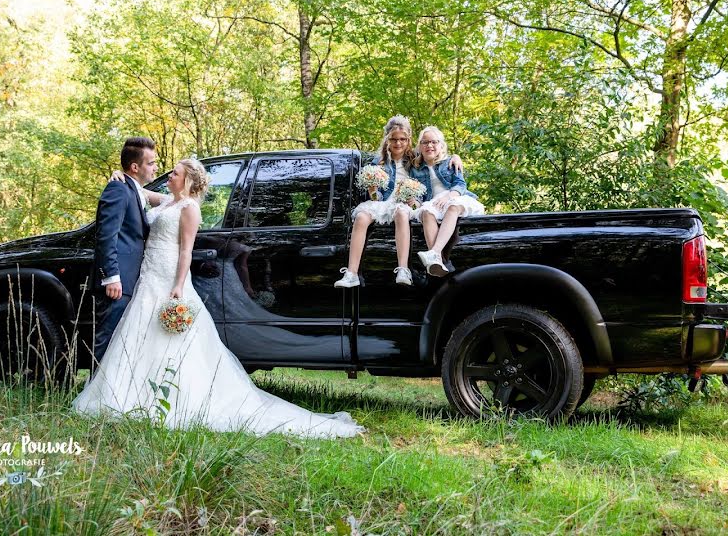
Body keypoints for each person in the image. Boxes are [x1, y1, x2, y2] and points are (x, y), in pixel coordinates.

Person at [73, 158, 364, 438]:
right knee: (138, 332)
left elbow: (186, 250)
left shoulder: (188, 208)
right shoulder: (167, 202)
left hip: (169, 278)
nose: (169, 176)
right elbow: (140, 192)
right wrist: (122, 177)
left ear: (186, 180)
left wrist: (178, 285)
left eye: (174, 173)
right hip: (148, 275)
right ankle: (127, 393)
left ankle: (171, 398)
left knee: (169, 340)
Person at [334, 116, 462, 288]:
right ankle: (351, 273)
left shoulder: (416, 159)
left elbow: (436, 157)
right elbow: (376, 198)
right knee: (361, 217)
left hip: (405, 204)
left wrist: (456, 156)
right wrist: (372, 190)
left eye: (403, 139)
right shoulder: (377, 162)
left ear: (408, 139)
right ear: (387, 139)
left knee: (401, 213)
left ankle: (403, 269)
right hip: (384, 202)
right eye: (393, 139)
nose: (398, 143)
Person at [91, 137, 158, 368]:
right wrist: (111, 276)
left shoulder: (135, 190)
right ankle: (93, 395)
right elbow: (106, 236)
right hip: (117, 281)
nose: (155, 168)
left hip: (130, 280)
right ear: (135, 167)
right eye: (151, 163)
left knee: (120, 341)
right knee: (107, 339)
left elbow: (178, 202)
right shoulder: (118, 188)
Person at [410, 126, 484, 276]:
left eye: (433, 142)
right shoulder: (415, 169)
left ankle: (435, 253)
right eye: (425, 142)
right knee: (425, 212)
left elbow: (460, 184)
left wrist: (449, 196)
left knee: (453, 207)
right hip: (434, 203)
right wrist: (412, 202)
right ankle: (439, 262)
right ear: (420, 146)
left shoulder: (450, 162)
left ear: (441, 145)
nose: (429, 145)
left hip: (454, 197)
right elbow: (418, 195)